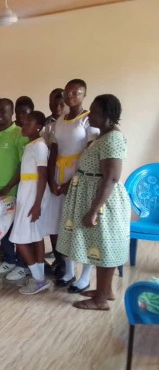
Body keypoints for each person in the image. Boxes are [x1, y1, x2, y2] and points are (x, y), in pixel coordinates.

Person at [57, 94, 130, 310]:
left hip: (103, 202)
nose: (90, 116)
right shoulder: (103, 136)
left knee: (104, 247)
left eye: (95, 112)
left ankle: (99, 301)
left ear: (108, 115)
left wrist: (94, 210)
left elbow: (111, 178)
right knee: (99, 245)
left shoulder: (112, 139)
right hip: (92, 194)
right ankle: (105, 291)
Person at [46, 79, 99, 290]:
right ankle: (68, 271)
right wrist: (52, 179)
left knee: (80, 226)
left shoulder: (88, 120)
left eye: (76, 92)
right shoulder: (59, 120)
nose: (71, 96)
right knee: (63, 225)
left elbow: (90, 152)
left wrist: (72, 181)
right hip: (59, 176)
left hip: (80, 177)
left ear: (84, 95)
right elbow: (54, 151)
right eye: (68, 92)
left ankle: (85, 276)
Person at [0, 98, 30, 280]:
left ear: (11, 113)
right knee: (3, 228)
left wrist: (7, 188)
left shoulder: (18, 134)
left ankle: (23, 265)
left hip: (14, 191)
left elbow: (23, 165)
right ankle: (10, 260)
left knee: (18, 230)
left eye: (3, 111)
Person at [9, 111, 51, 294]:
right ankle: (39, 278)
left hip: (33, 195)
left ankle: (39, 278)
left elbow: (43, 176)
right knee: (35, 235)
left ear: (38, 127)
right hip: (26, 192)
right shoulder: (31, 145)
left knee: (19, 238)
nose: (23, 126)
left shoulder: (40, 146)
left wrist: (37, 204)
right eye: (23, 122)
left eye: (28, 124)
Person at [43, 88, 66, 274]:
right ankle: (58, 259)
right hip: (50, 174)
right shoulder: (46, 124)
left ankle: (66, 263)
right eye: (54, 102)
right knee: (52, 220)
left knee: (65, 221)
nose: (57, 107)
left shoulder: (71, 122)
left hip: (67, 174)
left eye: (61, 103)